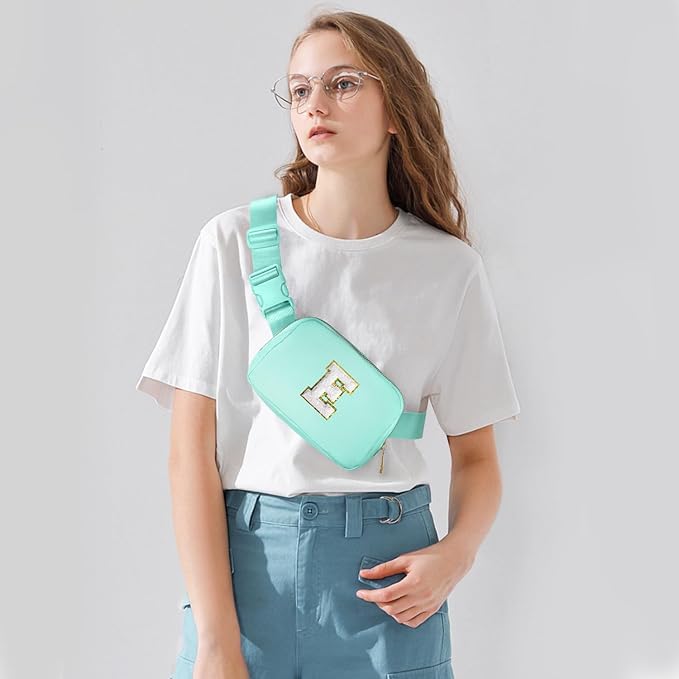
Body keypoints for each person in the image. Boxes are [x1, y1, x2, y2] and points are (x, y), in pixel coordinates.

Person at [135, 10, 520, 679]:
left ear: (396, 106)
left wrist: (454, 556)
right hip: (245, 574)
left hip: (390, 585)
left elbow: (477, 458)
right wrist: (218, 642)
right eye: (300, 89)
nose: (314, 104)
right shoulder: (230, 243)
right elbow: (188, 455)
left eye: (342, 83)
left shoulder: (448, 269)